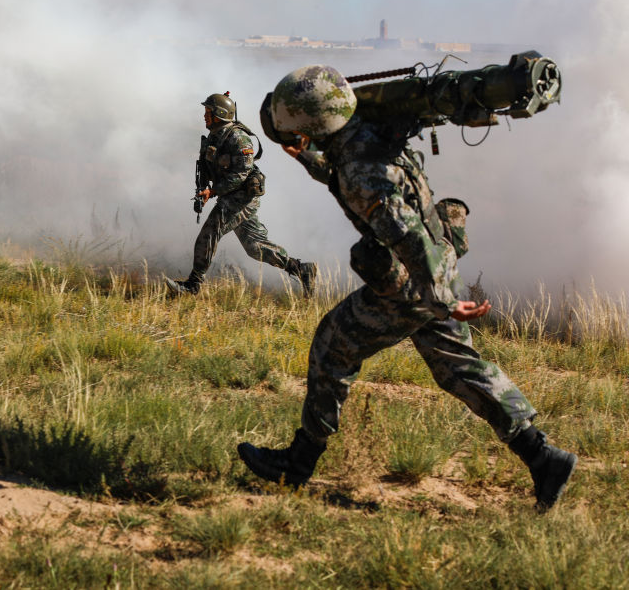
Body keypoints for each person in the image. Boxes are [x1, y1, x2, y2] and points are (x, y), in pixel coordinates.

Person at [237, 65, 576, 512]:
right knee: (460, 369)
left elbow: (406, 233)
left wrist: (442, 299)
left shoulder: (361, 171)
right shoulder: (362, 132)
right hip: (439, 260)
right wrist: (305, 156)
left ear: (312, 126)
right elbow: (339, 170)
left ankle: (297, 464)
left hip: (415, 280)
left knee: (332, 344)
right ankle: (544, 458)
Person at [166, 91, 317, 296]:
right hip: (231, 197)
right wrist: (203, 186)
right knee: (255, 247)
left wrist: (213, 191)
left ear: (219, 113)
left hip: (242, 198)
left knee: (209, 234)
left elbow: (241, 175)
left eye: (208, 111)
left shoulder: (238, 138)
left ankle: (193, 285)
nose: (204, 115)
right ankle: (301, 269)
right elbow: (207, 167)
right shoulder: (215, 136)